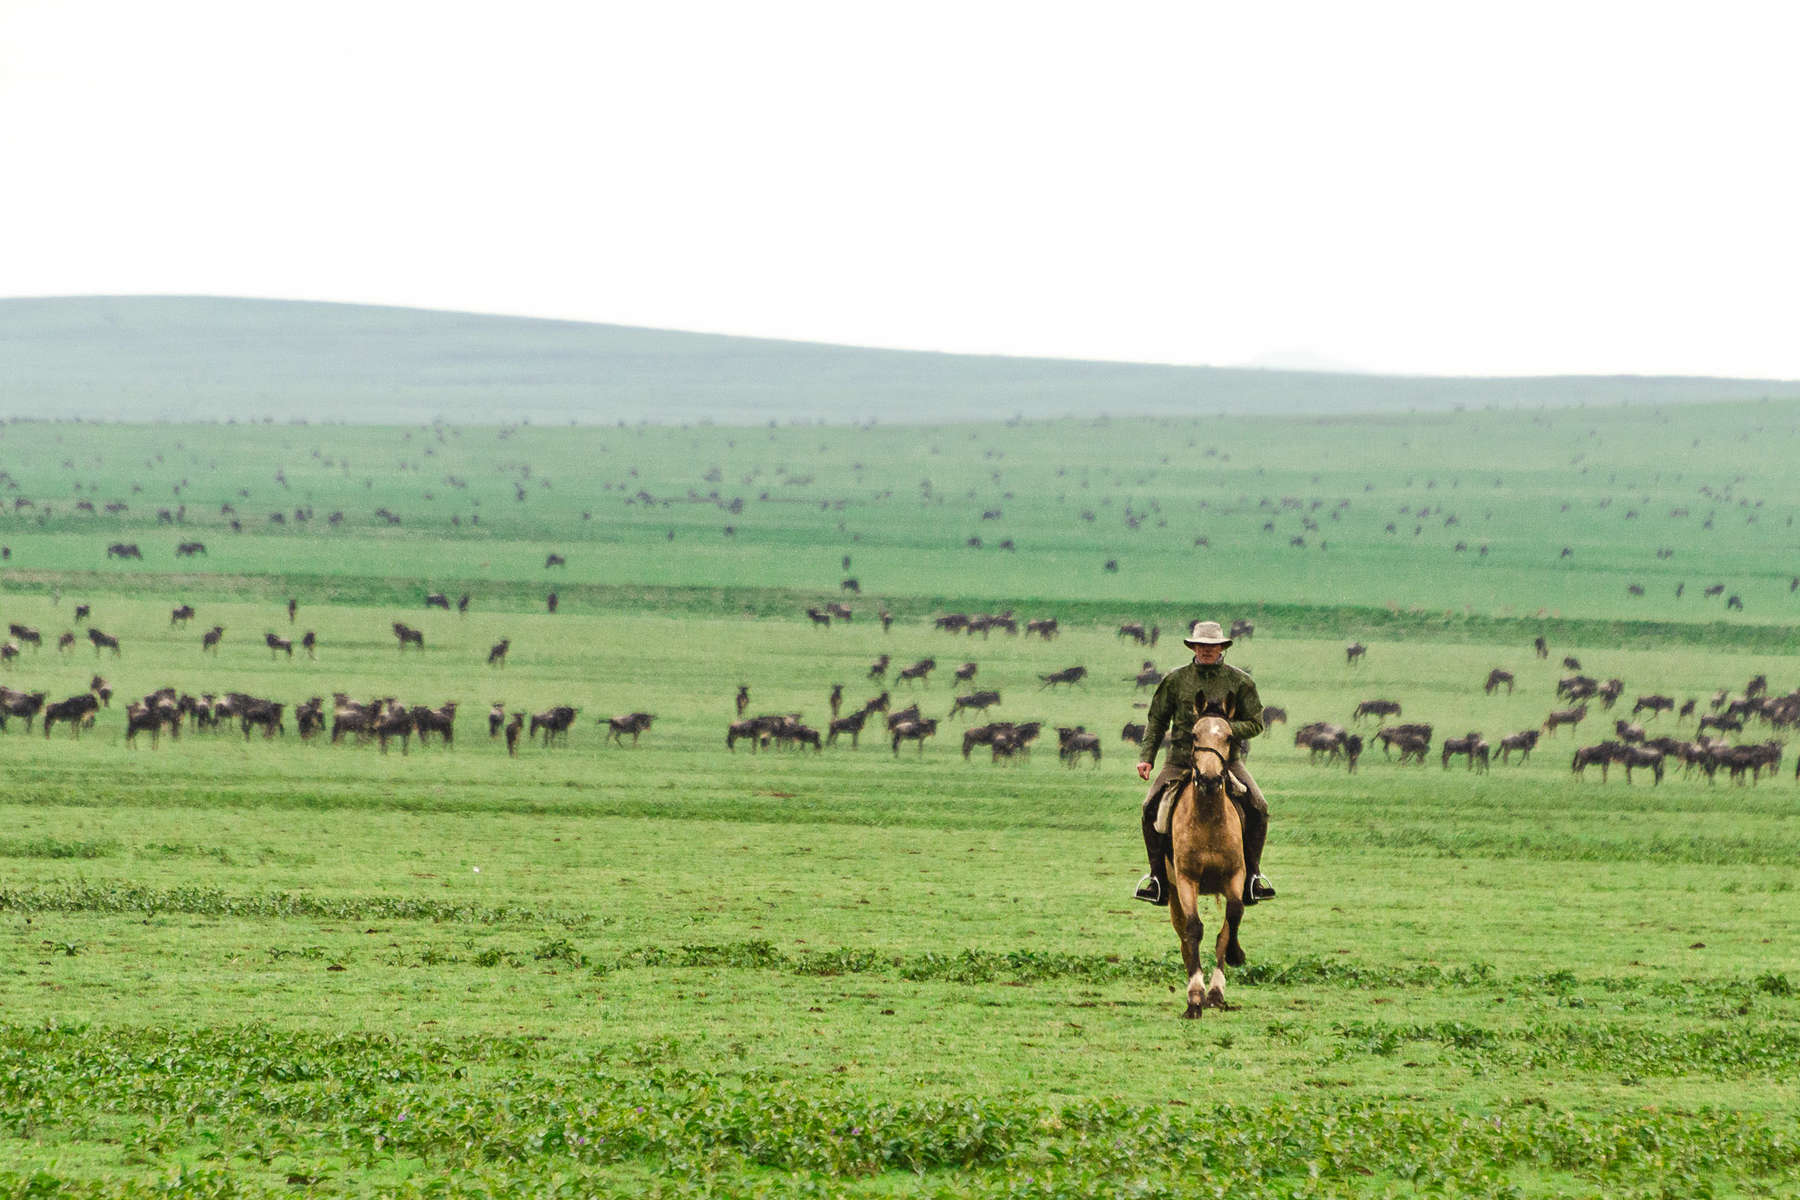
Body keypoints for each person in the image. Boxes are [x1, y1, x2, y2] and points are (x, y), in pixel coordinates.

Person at [1133, 619, 1276, 907]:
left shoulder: (1240, 682)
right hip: (1180, 760)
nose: (1206, 650)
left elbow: (1256, 723)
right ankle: (1157, 878)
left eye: (1212, 646)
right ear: (1193, 646)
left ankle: (1253, 876)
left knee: (1259, 806)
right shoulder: (1175, 680)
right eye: (1201, 645)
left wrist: (1225, 731)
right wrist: (1147, 758)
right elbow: (1157, 720)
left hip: (1226, 761)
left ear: (1222, 647)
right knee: (1150, 808)